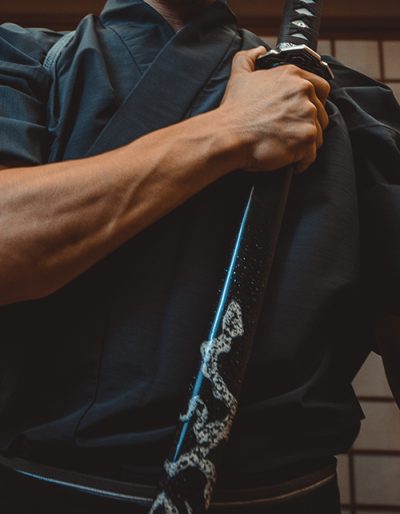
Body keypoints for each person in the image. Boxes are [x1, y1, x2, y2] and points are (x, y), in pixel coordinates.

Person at [0, 0, 399, 512]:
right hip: (43, 491)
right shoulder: (24, 56)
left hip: (288, 494)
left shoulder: (343, 97)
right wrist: (228, 131)